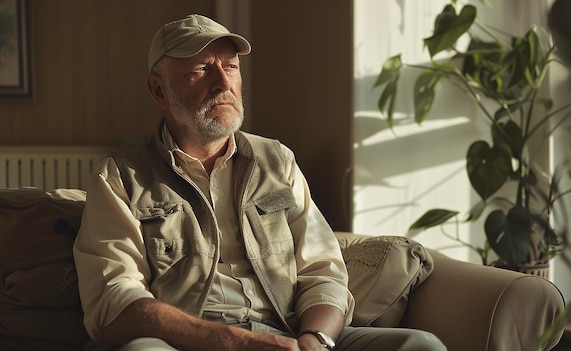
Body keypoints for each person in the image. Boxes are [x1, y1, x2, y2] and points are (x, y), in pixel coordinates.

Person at [73, 14, 446, 351]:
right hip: (188, 343)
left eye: (231, 67)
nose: (224, 83)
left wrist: (315, 341)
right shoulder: (121, 177)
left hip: (286, 332)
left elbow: (322, 271)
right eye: (201, 70)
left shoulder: (276, 161)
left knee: (418, 345)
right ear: (159, 91)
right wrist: (231, 341)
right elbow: (114, 299)